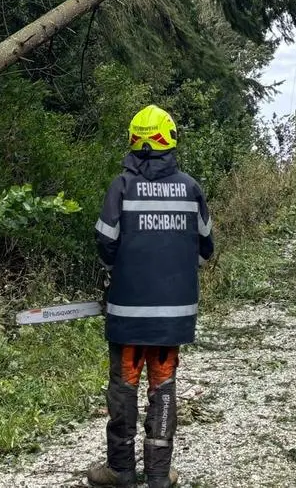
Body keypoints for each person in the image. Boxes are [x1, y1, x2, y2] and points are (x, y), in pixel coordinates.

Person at [89, 104, 214, 488]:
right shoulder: (191, 188)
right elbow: (205, 248)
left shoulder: (121, 187)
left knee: (124, 388)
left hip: (128, 315)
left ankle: (121, 470)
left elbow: (105, 244)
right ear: (170, 140)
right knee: (163, 387)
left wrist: (123, 270)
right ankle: (159, 474)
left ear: (132, 139)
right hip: (172, 319)